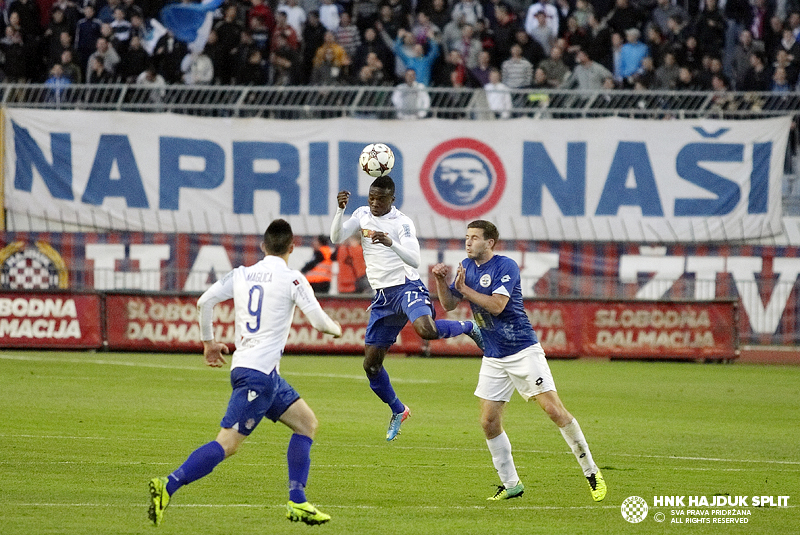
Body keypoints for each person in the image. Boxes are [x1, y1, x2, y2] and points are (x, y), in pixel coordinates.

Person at [148, 219, 342, 527]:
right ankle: (167, 485)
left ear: (263, 247)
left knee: (306, 423)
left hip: (255, 371)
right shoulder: (293, 279)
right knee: (228, 444)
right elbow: (320, 323)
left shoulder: (241, 274)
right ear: (292, 248)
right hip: (259, 377)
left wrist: (209, 343)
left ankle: (298, 501)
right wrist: (337, 329)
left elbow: (204, 302)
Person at [431, 220, 607, 503]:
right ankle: (510, 483)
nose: (468, 242)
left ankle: (591, 471)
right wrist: (442, 281)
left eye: (474, 238)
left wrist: (465, 291)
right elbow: (450, 304)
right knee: (488, 421)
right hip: (494, 355)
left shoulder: (506, 266)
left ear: (489, 243)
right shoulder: (467, 266)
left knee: (554, 410)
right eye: (466, 237)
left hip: (522, 349)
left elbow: (498, 306)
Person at [330, 177, 484, 441]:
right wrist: (340, 211)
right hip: (382, 298)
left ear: (392, 198)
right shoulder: (361, 214)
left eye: (381, 199)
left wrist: (391, 242)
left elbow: (415, 258)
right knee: (371, 365)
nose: (375, 203)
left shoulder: (402, 223)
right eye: (371, 198)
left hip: (406, 287)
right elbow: (336, 237)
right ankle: (398, 410)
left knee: (425, 330)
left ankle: (468, 326)